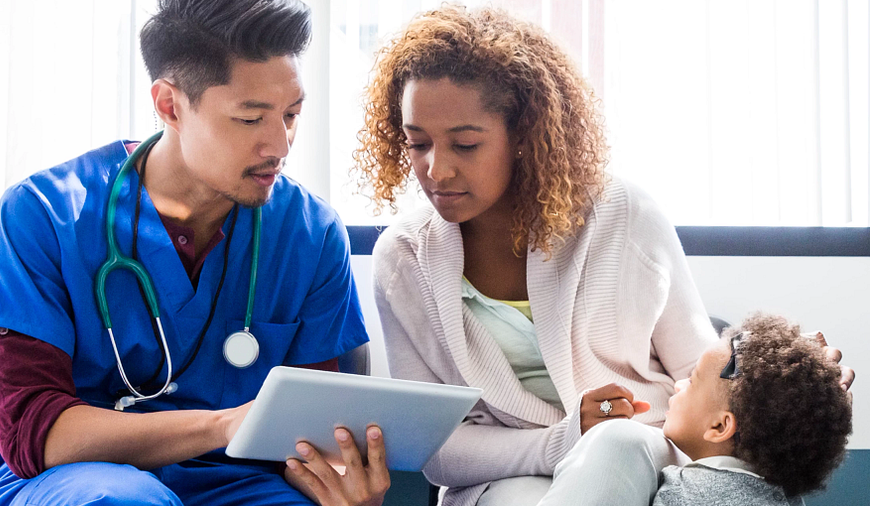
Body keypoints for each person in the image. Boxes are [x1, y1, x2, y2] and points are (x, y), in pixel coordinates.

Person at [354, 5, 854, 506]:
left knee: (619, 441)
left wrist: (796, 389)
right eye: (417, 143)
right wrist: (566, 439)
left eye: (465, 144)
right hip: (500, 482)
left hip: (649, 456)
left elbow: (702, 378)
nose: (435, 170)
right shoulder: (403, 259)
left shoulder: (625, 217)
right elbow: (438, 449)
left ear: (524, 134)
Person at [0, 1, 389, 505]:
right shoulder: (42, 214)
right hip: (71, 480)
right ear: (170, 105)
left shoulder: (311, 233)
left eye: (292, 115)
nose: (280, 143)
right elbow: (33, 434)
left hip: (234, 483)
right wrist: (220, 425)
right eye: (250, 118)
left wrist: (341, 485)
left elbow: (308, 427)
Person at [653, 314, 852, 505]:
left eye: (691, 380)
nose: (678, 385)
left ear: (720, 426)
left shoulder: (682, 491)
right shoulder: (789, 500)